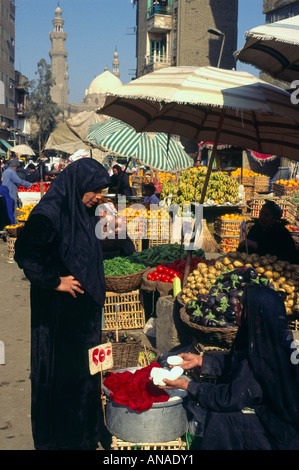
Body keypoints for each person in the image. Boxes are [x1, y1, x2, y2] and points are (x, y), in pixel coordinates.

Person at [14, 158, 111, 450]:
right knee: (66, 381)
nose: (99, 197)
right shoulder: (50, 211)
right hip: (60, 319)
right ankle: (65, 440)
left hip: (83, 318)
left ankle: (86, 433)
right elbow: (27, 252)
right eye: (95, 190)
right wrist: (57, 281)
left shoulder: (82, 209)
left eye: (102, 191)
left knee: (86, 379)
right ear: (79, 184)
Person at [159, 284, 299, 450]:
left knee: (221, 419)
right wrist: (202, 361)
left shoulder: (263, 356)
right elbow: (237, 362)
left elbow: (228, 400)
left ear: (256, 317)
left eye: (241, 306)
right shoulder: (265, 337)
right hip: (277, 419)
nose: (236, 308)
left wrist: (187, 385)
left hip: (281, 436)